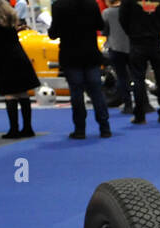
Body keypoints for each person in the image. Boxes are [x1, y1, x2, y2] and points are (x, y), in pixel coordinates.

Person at [48, 0, 112, 139]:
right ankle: (105, 127)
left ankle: (80, 129)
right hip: (90, 54)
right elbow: (99, 25)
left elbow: (53, 33)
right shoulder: (91, 4)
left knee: (76, 94)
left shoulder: (59, 6)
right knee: (96, 92)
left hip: (70, 55)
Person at [0, 0, 39, 138]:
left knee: (10, 94)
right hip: (19, 54)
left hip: (4, 58)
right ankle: (28, 128)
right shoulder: (9, 16)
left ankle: (14, 129)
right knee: (23, 92)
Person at [120, 0, 160, 123]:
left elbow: (123, 19)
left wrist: (132, 33)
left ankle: (140, 116)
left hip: (138, 43)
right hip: (157, 42)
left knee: (138, 80)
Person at [101, 0, 134, 114]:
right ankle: (142, 104)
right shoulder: (130, 10)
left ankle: (128, 105)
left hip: (115, 48)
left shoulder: (106, 13)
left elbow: (104, 31)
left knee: (121, 77)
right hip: (132, 46)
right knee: (137, 76)